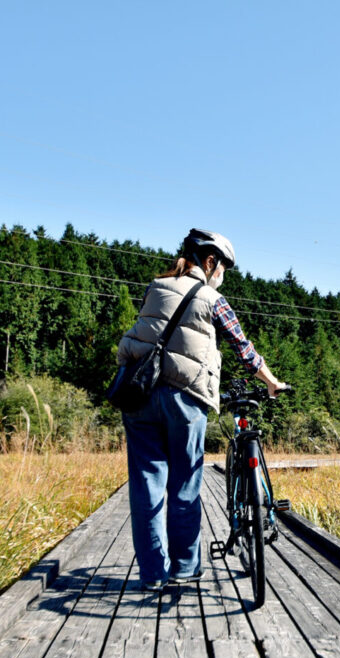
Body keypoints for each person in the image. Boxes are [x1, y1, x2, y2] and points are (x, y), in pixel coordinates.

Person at [116, 229, 287, 591]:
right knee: (184, 485)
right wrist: (271, 381)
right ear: (210, 262)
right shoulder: (212, 298)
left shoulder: (154, 286)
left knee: (147, 486)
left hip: (140, 393)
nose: (223, 274)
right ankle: (184, 567)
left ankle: (151, 575)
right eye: (223, 267)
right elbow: (243, 349)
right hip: (184, 398)